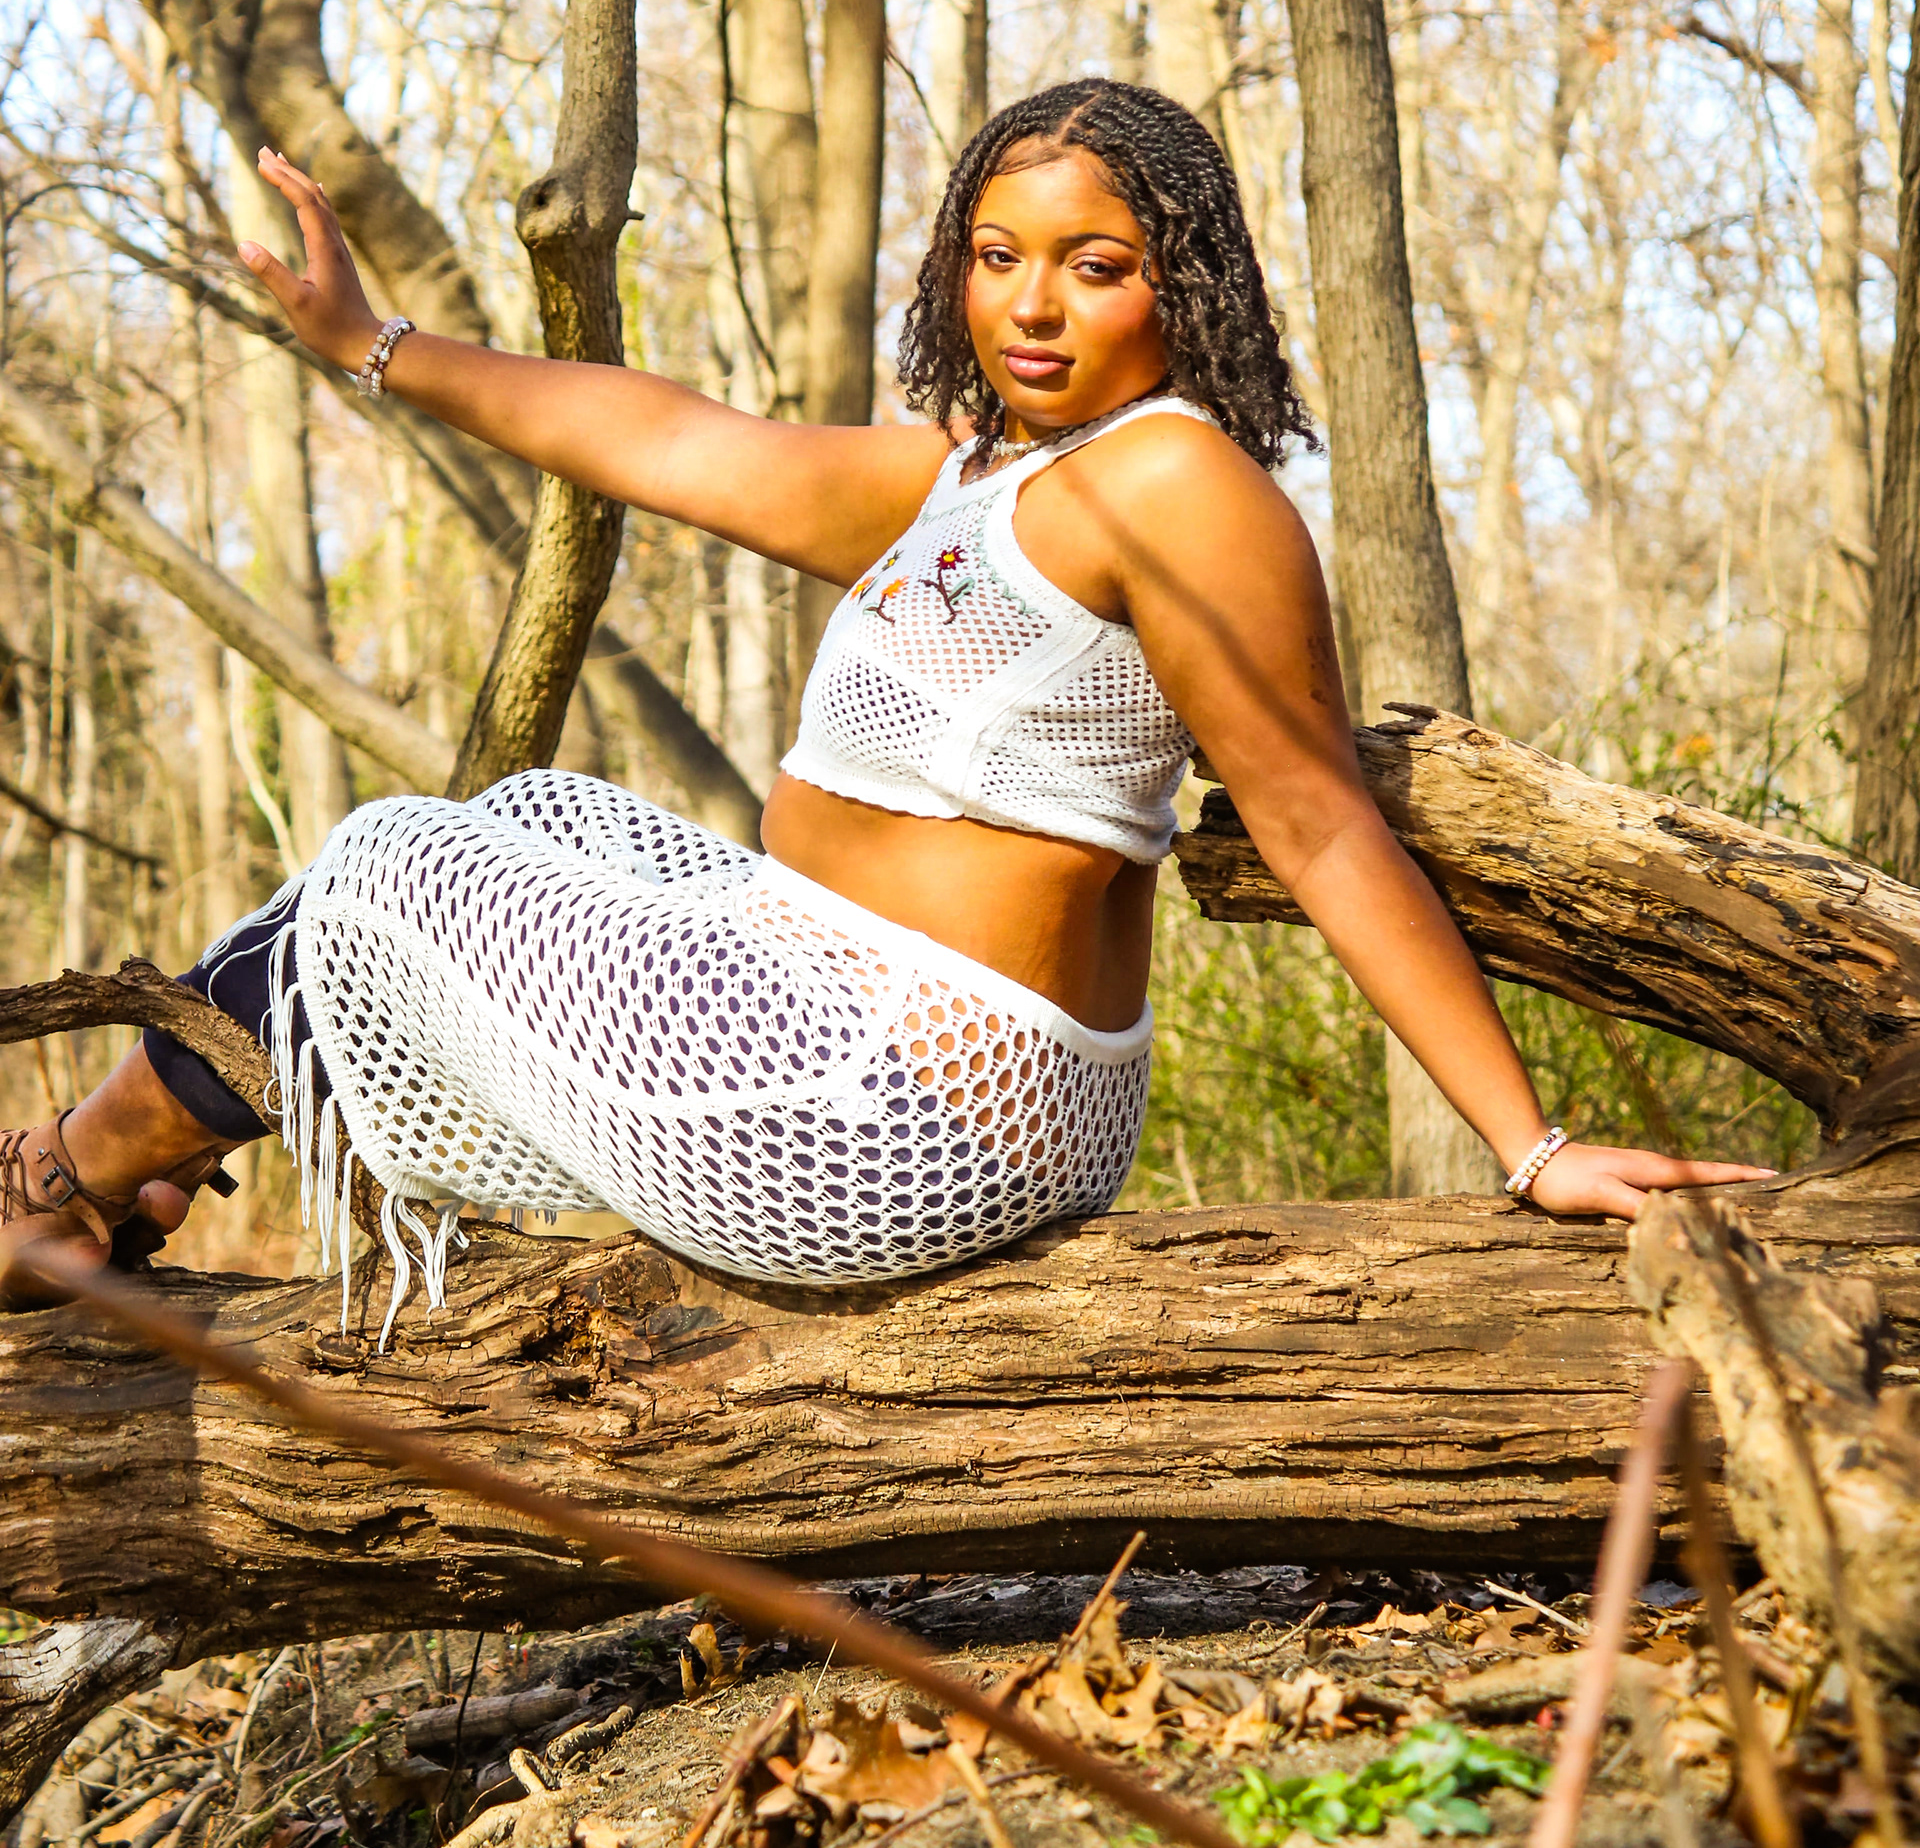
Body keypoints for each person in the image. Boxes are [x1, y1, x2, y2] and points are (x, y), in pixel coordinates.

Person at [0, 82, 1767, 1325]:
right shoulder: (979, 476)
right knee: (526, 822)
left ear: (1186, 280)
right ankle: (109, 1187)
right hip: (834, 1021)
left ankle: (59, 1192)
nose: (1033, 306)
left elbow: (1316, 819)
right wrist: (373, 347)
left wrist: (1529, 1145)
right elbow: (676, 440)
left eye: (1096, 264)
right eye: (998, 256)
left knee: (399, 868)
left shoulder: (1178, 486)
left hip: (913, 1099)